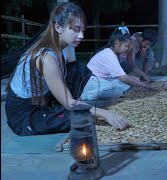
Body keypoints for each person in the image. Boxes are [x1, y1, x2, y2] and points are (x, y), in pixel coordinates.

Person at [5, 2, 129, 136]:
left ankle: (60, 109)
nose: (81, 36)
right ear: (58, 27)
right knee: (80, 118)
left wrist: (79, 105)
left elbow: (74, 78)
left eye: (82, 30)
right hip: (25, 115)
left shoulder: (63, 48)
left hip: (44, 100)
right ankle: (55, 113)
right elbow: (69, 103)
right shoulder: (46, 57)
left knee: (78, 69)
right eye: (75, 29)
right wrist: (106, 114)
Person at [81, 26, 155, 101]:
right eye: (125, 46)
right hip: (92, 81)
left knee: (131, 82)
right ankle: (84, 96)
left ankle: (104, 90)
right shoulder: (109, 54)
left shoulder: (112, 53)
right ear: (117, 44)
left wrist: (137, 81)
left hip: (103, 79)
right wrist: (144, 85)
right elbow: (123, 77)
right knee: (115, 90)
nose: (126, 49)